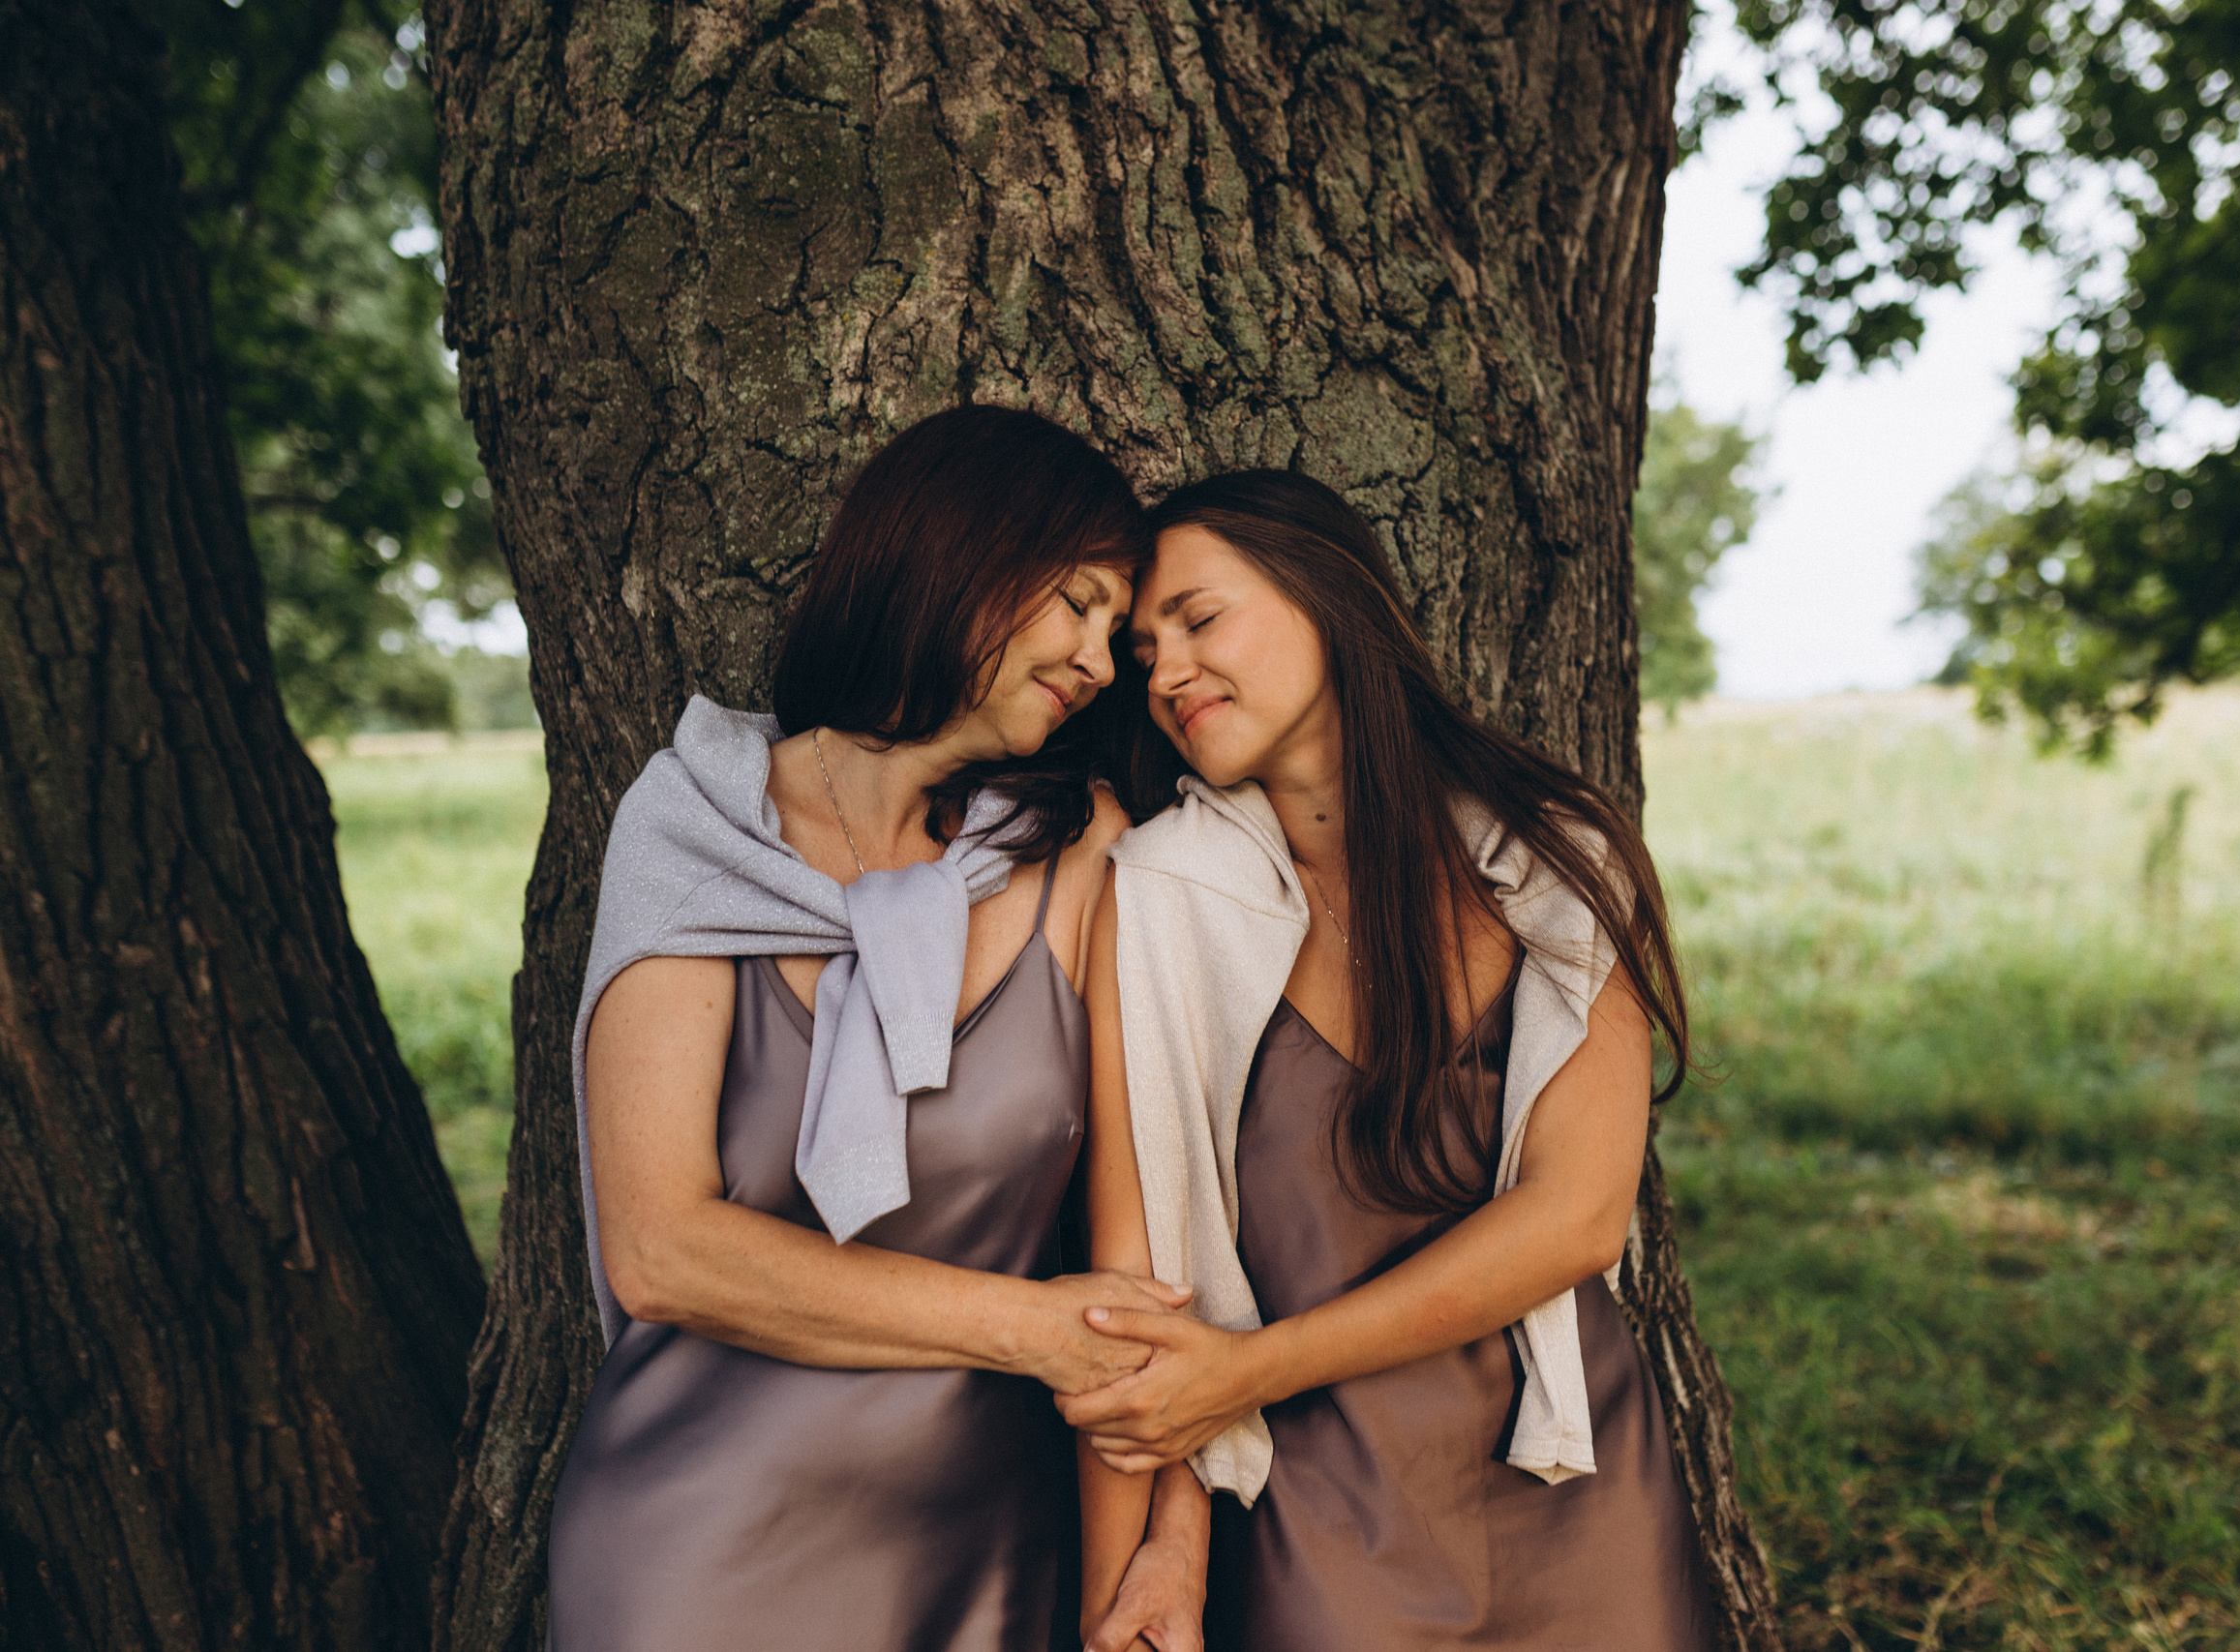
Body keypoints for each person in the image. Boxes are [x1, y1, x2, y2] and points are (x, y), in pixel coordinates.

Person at [545, 405, 1184, 1652]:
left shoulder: (1080, 853)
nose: (1100, 663)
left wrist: (1153, 1548)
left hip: (981, 1548)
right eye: (1078, 603)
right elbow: (662, 1251)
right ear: (966, 554)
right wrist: (1031, 1329)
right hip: (693, 1551)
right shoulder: (694, 827)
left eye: (1117, 633)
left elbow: (1143, 1242)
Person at [1070, 470, 1716, 1651]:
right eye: (1142, 651)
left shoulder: (1552, 862)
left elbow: (1576, 1220)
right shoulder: (1160, 900)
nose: (1162, 675)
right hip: (1315, 1509)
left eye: (1198, 621)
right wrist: (1175, 1537)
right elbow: (1149, 1271)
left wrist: (1246, 1369)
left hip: (1572, 1487)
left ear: (1331, 600)